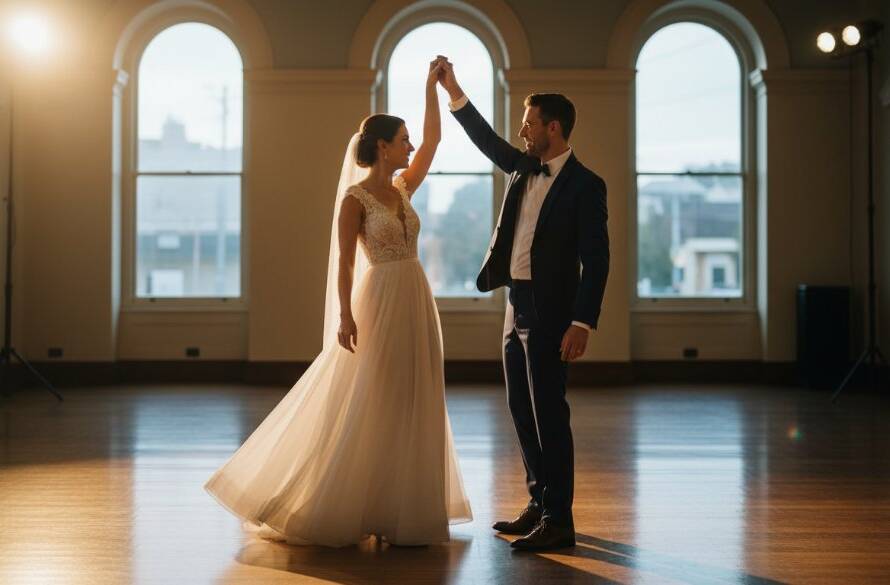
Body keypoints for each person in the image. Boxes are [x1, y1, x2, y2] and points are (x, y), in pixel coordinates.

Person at [204, 57, 472, 547]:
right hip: (381, 300)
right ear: (382, 147)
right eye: (403, 139)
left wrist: (433, 88)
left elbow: (433, 143)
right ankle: (349, 501)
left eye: (409, 139)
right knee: (374, 396)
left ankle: (401, 508)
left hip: (415, 297)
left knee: (415, 397)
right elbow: (346, 262)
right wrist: (345, 314)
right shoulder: (356, 199)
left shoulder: (402, 187)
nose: (411, 145)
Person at [437, 58, 609, 551]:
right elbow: (486, 139)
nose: (522, 130)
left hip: (553, 312)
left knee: (549, 412)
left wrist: (582, 322)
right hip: (516, 302)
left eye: (529, 123)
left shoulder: (585, 185)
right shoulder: (521, 166)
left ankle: (561, 521)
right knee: (519, 407)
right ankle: (539, 502)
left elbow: (597, 261)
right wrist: (454, 90)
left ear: (552, 128)